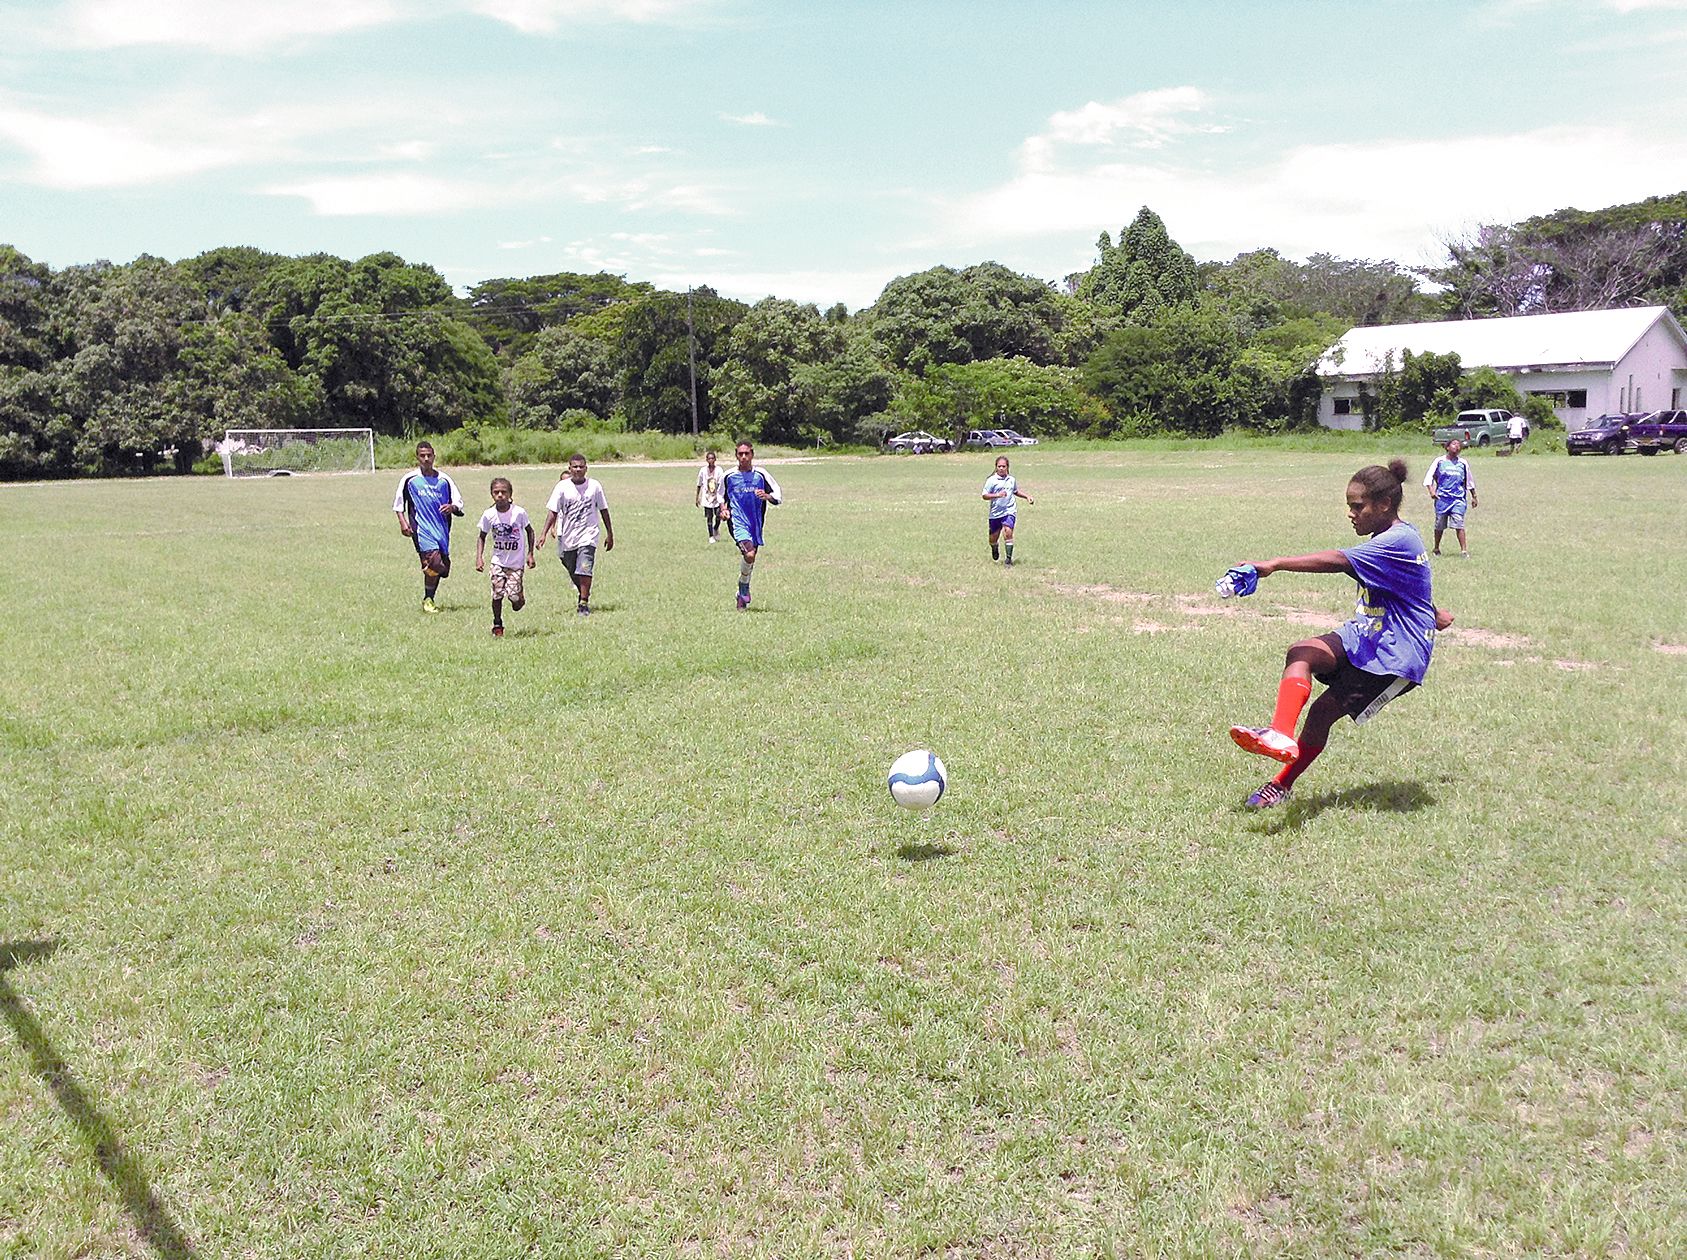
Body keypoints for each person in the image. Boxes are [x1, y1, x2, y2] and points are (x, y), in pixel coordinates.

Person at [1224, 458, 1455, 810]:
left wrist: (1273, 564)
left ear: (1384, 505)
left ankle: (1281, 784)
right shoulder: (1392, 537)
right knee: (1301, 652)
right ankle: (1280, 734)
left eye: (1357, 506)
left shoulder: (1398, 540)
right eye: (1349, 505)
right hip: (1367, 633)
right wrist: (1432, 611)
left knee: (1321, 714)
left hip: (1396, 656)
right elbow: (1408, 584)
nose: (1351, 513)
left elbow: (1337, 560)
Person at [536, 454, 614, 618]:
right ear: (569, 468)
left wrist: (609, 533)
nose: (578, 470)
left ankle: (583, 603)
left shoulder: (594, 486)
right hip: (568, 535)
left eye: (581, 467)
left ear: (586, 468)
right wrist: (543, 533)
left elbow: (604, 510)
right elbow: (553, 511)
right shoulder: (562, 487)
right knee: (569, 563)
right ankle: (583, 591)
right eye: (575, 467)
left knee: (585, 567)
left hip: (589, 535)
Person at [393, 441, 464, 613]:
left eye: (429, 455)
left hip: (441, 529)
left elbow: (459, 503)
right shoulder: (410, 480)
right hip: (421, 529)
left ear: (434, 456)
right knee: (435, 562)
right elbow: (398, 504)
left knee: (441, 568)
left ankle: (428, 597)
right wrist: (403, 522)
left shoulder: (444, 480)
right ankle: (428, 599)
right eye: (422, 456)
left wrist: (451, 508)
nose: (426, 459)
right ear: (417, 457)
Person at [721, 440, 782, 610]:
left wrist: (767, 496)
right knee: (749, 555)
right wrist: (723, 510)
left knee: (751, 557)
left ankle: (741, 592)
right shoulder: (728, 476)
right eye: (740, 454)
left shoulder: (761, 475)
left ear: (752, 454)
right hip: (737, 522)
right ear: (736, 455)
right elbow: (721, 497)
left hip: (755, 523)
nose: (744, 457)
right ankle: (744, 587)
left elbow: (777, 494)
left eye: (747, 453)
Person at [475, 477, 536, 638]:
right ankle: (497, 624)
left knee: (514, 599)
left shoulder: (519, 513)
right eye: (496, 492)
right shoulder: (489, 515)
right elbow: (482, 536)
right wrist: (479, 557)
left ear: (510, 494)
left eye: (504, 492)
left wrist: (530, 554)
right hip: (498, 562)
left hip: (516, 563)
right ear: (492, 494)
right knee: (497, 593)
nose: (500, 495)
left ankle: (519, 599)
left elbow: (530, 531)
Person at [1424, 439, 1477, 558]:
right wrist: (1432, 491)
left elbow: (1469, 481)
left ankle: (1464, 551)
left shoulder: (1463, 463)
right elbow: (1429, 478)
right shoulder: (1439, 461)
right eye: (1454, 444)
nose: (1457, 447)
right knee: (1439, 525)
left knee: (1459, 523)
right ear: (1447, 447)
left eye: (1459, 445)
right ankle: (1436, 548)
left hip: (1458, 499)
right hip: (1442, 498)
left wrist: (1474, 496)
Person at [981, 454, 1034, 564]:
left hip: (1009, 511)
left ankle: (1008, 560)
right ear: (996, 467)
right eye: (999, 466)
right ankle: (994, 548)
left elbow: (1015, 491)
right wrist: (997, 495)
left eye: (1003, 466)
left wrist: (1027, 496)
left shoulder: (1011, 480)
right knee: (993, 539)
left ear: (1007, 467)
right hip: (995, 513)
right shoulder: (991, 480)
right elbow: (984, 495)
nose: (1001, 468)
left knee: (1008, 532)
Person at [696, 450, 727, 544]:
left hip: (717, 497)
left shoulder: (719, 470)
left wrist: (724, 498)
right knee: (709, 517)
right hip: (707, 497)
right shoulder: (703, 471)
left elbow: (723, 484)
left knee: (718, 515)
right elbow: (699, 484)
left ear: (715, 459)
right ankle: (711, 536)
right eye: (709, 458)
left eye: (712, 458)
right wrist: (697, 497)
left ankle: (716, 528)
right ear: (706, 460)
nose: (711, 460)